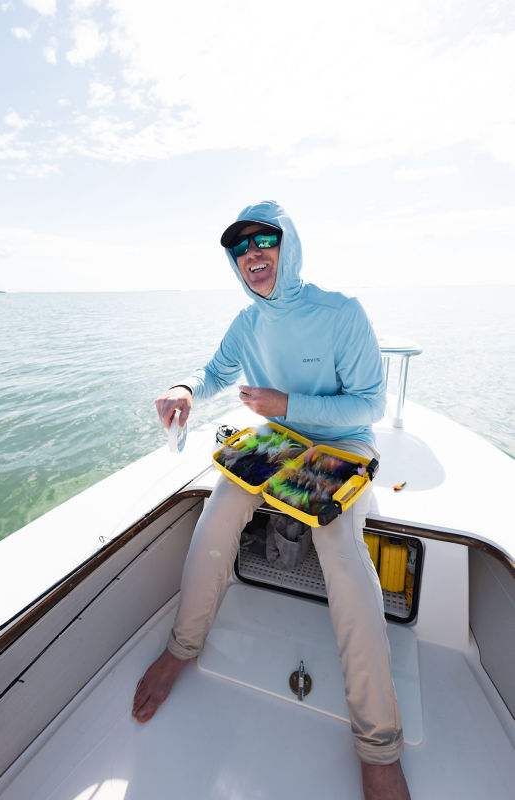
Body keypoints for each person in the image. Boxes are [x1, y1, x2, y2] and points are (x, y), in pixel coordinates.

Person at [132, 201, 411, 800]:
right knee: (214, 519)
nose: (252, 254)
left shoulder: (342, 313)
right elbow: (213, 373)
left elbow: (368, 406)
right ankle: (183, 649)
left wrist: (286, 405)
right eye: (240, 248)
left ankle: (378, 744)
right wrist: (185, 387)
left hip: (340, 445)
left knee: (340, 549)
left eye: (265, 240)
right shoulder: (246, 321)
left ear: (290, 246)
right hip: (275, 440)